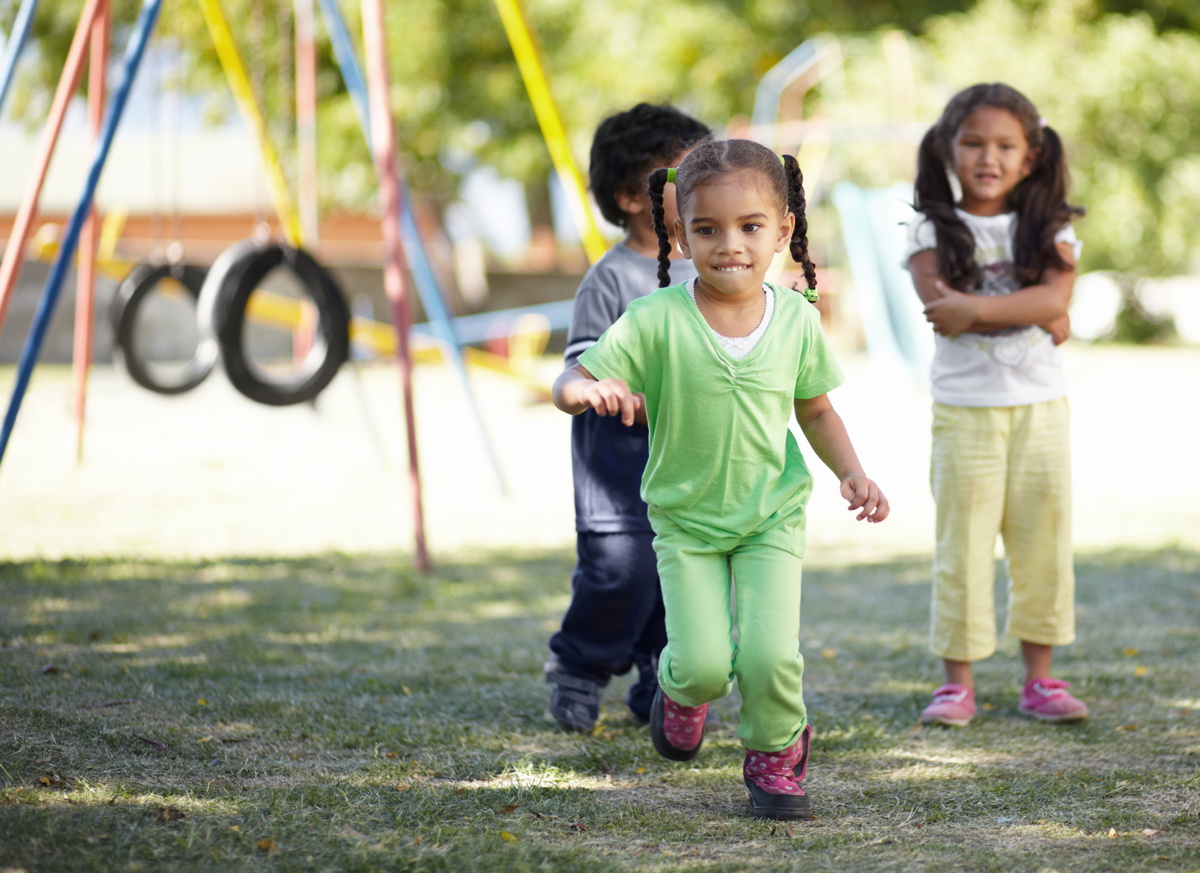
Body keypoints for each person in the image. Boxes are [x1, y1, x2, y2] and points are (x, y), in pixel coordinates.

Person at [552, 139, 889, 821]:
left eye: (750, 226)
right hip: (685, 520)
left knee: (769, 655)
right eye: (706, 229)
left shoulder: (796, 317)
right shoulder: (654, 320)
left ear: (784, 230)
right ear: (678, 233)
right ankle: (682, 691)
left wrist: (853, 472)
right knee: (705, 661)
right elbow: (571, 377)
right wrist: (585, 390)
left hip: (770, 515)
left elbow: (816, 407)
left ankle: (775, 752)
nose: (728, 244)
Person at [905, 83, 1087, 727]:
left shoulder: (1050, 225)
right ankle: (958, 683)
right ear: (949, 151)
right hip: (964, 411)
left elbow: (1051, 302)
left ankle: (1040, 679)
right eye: (974, 143)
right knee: (965, 543)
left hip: (1041, 408)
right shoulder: (928, 227)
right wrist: (1030, 310)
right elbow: (941, 311)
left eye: (1006, 145)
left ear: (1030, 156)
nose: (989, 156)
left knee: (1044, 542)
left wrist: (982, 308)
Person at [545, 104, 712, 732]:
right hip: (619, 460)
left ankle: (661, 679)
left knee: (683, 574)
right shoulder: (611, 278)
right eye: (682, 175)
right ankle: (579, 666)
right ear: (629, 195)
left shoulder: (717, 268)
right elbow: (576, 370)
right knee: (623, 571)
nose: (700, 186)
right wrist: (601, 389)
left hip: (690, 455)